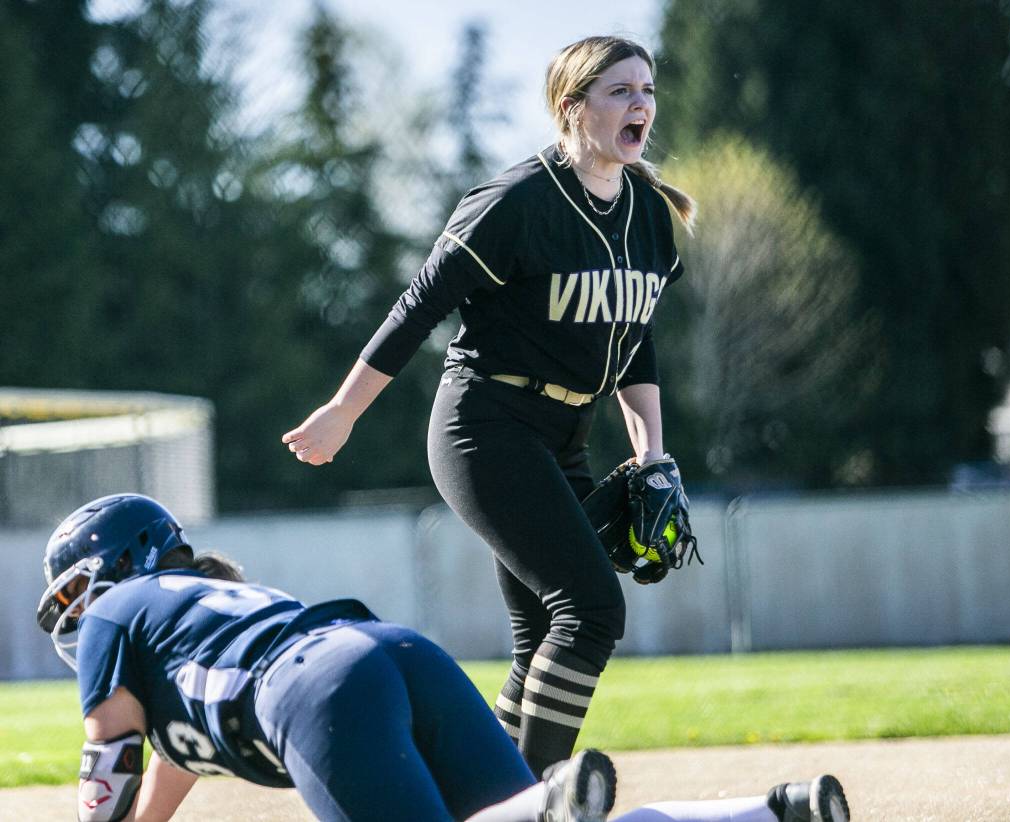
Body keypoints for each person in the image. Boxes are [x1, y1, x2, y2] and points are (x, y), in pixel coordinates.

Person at [283, 34, 697, 778]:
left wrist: (652, 454)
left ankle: (482, 791)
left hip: (564, 435)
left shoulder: (649, 213)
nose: (642, 105)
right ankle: (531, 800)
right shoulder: (515, 202)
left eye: (648, 90)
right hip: (485, 427)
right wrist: (344, 409)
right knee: (591, 611)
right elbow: (417, 307)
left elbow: (634, 339)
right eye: (620, 92)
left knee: (544, 629)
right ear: (572, 108)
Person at [38, 494, 851, 822]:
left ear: (121, 565)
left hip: (317, 692)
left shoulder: (118, 614)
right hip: (388, 651)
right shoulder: (192, 616)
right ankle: (772, 810)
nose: (79, 615)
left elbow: (109, 766)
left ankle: (546, 804)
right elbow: (160, 783)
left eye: (76, 594)